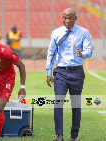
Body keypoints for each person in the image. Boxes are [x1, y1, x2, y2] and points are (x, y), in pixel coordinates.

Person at [46, 8, 92, 141]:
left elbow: (89, 50)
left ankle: (74, 136)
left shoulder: (83, 32)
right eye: (64, 18)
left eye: (70, 18)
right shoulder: (56, 33)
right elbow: (51, 52)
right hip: (60, 72)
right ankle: (59, 136)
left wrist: (82, 54)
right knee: (58, 103)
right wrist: (49, 71)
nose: (67, 20)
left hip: (77, 72)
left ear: (75, 18)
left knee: (76, 105)